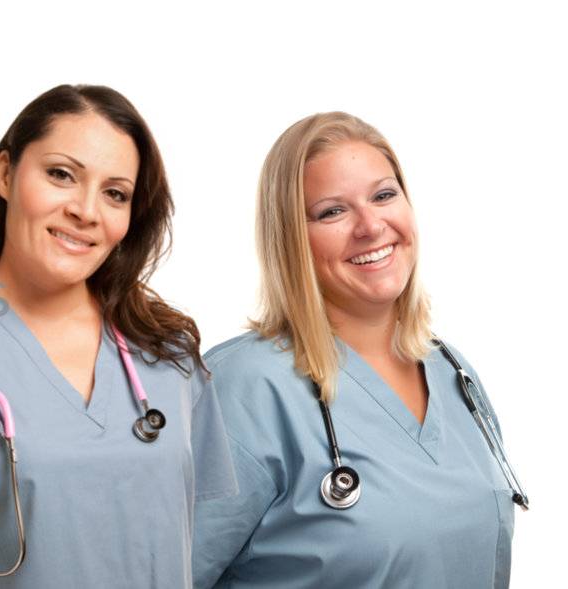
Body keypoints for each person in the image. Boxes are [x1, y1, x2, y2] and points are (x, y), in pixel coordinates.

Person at [0, 84, 235, 587]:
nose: (86, 210)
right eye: (61, 175)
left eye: (114, 193)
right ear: (6, 174)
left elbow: (200, 535)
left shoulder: (168, 354)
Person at [192, 112, 521, 588]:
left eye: (384, 195)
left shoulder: (454, 374)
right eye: (332, 211)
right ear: (290, 238)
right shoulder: (242, 390)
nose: (370, 226)